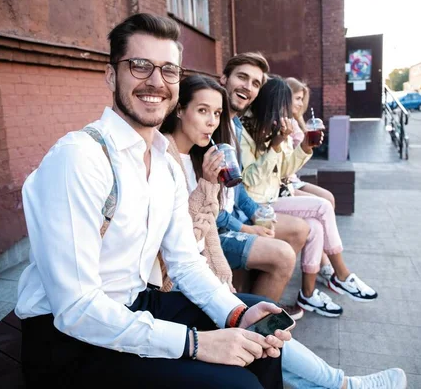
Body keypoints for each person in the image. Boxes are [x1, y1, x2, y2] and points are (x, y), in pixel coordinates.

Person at [15, 13, 291, 389]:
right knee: (237, 385)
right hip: (67, 341)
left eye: (169, 70)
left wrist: (236, 314)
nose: (156, 82)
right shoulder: (80, 158)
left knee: (260, 344)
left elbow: (185, 262)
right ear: (112, 75)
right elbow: (76, 309)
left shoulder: (164, 164)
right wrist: (196, 344)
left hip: (134, 303)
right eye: (140, 66)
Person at [158, 74, 406, 389]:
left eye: (216, 113)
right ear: (180, 110)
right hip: (173, 283)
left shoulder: (197, 154)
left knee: (267, 327)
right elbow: (187, 235)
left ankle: (339, 382)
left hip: (199, 268)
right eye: (202, 111)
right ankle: (344, 383)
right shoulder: (167, 156)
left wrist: (221, 271)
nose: (211, 121)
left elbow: (207, 228)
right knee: (263, 324)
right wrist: (232, 211)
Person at [240, 77, 378, 318]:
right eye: (283, 108)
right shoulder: (245, 131)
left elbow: (283, 171)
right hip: (255, 204)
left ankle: (308, 293)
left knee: (314, 227)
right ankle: (342, 274)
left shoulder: (274, 127)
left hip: (273, 197)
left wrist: (305, 147)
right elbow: (249, 180)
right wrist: (274, 145)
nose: (286, 115)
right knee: (323, 206)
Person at [216, 52, 311, 319]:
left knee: (301, 228)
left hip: (241, 210)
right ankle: (257, 324)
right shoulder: (220, 128)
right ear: (224, 78)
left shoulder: (234, 125)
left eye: (255, 83)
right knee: (284, 253)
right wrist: (246, 226)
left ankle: (257, 312)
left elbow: (237, 188)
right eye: (241, 77)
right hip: (215, 229)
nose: (247, 86)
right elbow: (211, 204)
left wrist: (257, 213)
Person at [285, 77, 337, 289]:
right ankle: (326, 264)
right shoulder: (281, 121)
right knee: (321, 205)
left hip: (293, 178)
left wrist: (300, 119)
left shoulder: (296, 119)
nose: (299, 103)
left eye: (301, 99)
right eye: (296, 98)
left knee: (328, 198)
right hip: (285, 180)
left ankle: (321, 259)